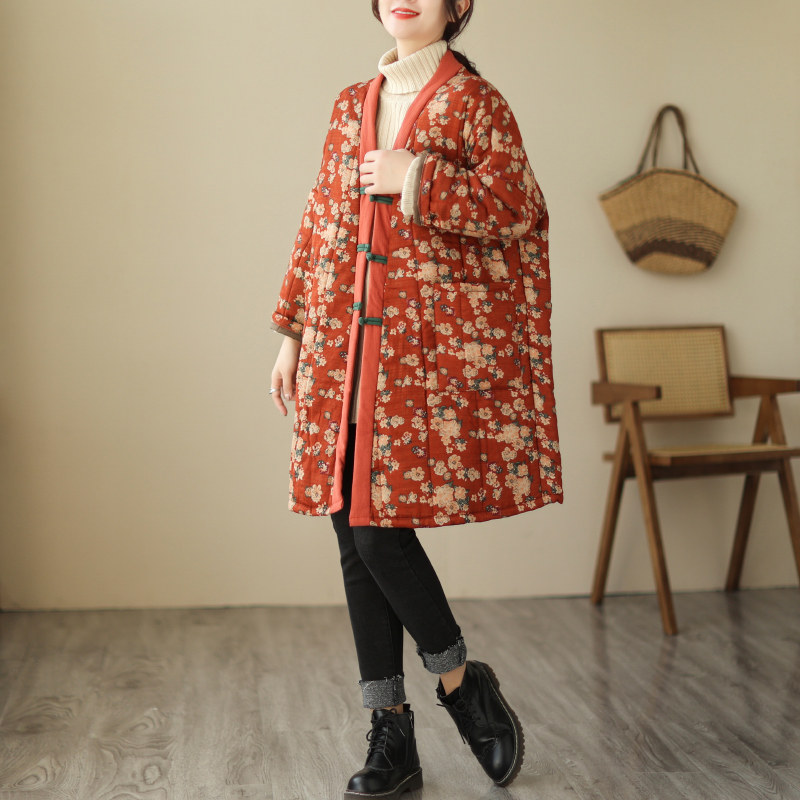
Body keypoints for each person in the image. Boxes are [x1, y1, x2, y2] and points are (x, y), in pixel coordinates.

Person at [269, 1, 562, 796]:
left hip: (416, 358)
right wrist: (292, 332)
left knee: (375, 532)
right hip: (341, 348)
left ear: (459, 5)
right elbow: (322, 220)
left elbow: (517, 209)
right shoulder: (350, 104)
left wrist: (417, 178)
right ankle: (391, 735)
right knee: (351, 529)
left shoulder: (476, 102)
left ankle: (462, 682)